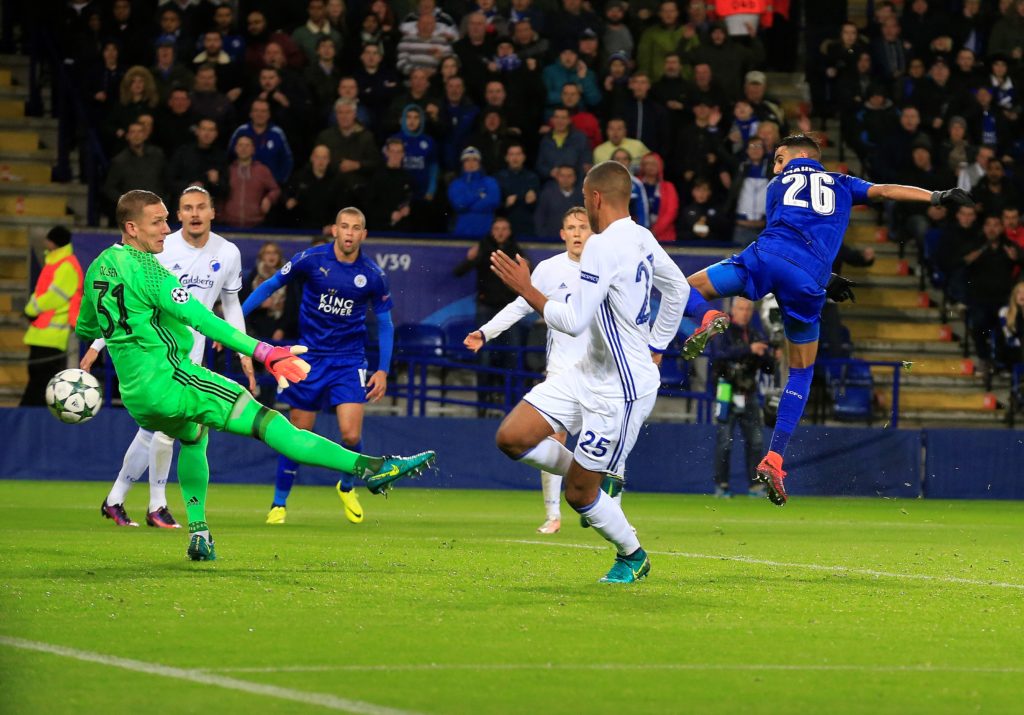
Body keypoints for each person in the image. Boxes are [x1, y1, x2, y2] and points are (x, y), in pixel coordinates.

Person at [77, 191, 434, 560]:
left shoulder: (99, 266)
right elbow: (203, 319)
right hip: (174, 381)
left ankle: (199, 532)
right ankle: (373, 469)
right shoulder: (151, 271)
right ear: (132, 227)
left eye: (168, 219)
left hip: (137, 396)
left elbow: (86, 324)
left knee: (194, 436)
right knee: (274, 424)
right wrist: (265, 352)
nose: (167, 229)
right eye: (158, 222)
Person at [681, 134, 975, 506]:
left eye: (778, 157)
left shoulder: (776, 185)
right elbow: (885, 191)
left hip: (766, 257)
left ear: (798, 156)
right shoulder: (842, 182)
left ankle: (708, 315)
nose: (775, 166)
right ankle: (774, 458)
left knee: (688, 286)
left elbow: (785, 235)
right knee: (801, 371)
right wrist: (935, 196)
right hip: (807, 281)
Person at [489, 161, 688, 583]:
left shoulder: (602, 245)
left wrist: (528, 290)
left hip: (618, 391)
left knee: (580, 493)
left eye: (583, 198)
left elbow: (575, 319)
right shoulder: (642, 237)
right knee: (512, 436)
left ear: (595, 198)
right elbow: (679, 289)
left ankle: (631, 554)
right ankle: (594, 475)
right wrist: (657, 344)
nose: (583, 205)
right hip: (586, 372)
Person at [81, 187, 253, 529]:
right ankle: (154, 505)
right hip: (160, 354)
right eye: (186, 207)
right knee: (162, 431)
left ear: (212, 212)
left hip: (195, 350)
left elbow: (230, 305)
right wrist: (98, 346)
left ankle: (119, 499)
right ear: (177, 213)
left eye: (201, 207)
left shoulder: (228, 253)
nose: (194, 213)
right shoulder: (159, 246)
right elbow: (128, 300)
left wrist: (244, 349)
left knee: (158, 432)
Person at [242, 207, 399, 526]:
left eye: (356, 228)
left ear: (364, 234)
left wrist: (382, 369)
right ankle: (279, 503)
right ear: (334, 230)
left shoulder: (372, 275)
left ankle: (347, 485)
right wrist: (235, 319)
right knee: (299, 433)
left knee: (351, 434)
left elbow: (385, 322)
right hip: (309, 358)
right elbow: (271, 285)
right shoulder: (311, 259)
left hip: (349, 360)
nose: (350, 233)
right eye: (344, 226)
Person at [464, 207, 591, 533]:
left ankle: (604, 509)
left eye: (583, 227)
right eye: (571, 227)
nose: (577, 233)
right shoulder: (549, 270)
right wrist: (485, 332)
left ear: (594, 232)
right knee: (553, 438)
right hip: (562, 372)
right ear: (562, 234)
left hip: (599, 374)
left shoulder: (607, 270)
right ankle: (553, 514)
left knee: (604, 444)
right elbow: (520, 305)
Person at [709, 297, 773, 499]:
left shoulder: (755, 334)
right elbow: (719, 354)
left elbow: (768, 368)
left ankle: (755, 486)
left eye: (748, 309)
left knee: (756, 441)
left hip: (748, 393)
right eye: (741, 308)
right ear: (733, 310)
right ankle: (721, 485)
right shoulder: (723, 331)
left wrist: (768, 356)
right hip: (726, 391)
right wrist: (749, 349)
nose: (745, 313)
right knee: (724, 442)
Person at [20, 227, 82, 407]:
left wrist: (31, 309)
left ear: (53, 242)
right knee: (37, 379)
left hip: (52, 335)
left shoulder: (66, 265)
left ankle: (28, 416)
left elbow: (53, 297)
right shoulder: (56, 262)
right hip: (43, 333)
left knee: (41, 382)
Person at [447, 146, 501, 237]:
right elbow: (459, 205)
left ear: (479, 163)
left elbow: (493, 202)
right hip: (462, 231)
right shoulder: (456, 184)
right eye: (467, 160)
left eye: (474, 160)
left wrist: (468, 205)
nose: (471, 163)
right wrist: (478, 195)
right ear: (462, 163)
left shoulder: (490, 182)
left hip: (487, 232)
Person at [534, 165, 582, 237]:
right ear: (557, 177)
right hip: (550, 239)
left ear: (575, 178)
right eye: (562, 176)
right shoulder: (547, 194)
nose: (565, 179)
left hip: (575, 238)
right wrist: (543, 235)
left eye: (569, 176)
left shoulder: (582, 196)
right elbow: (539, 217)